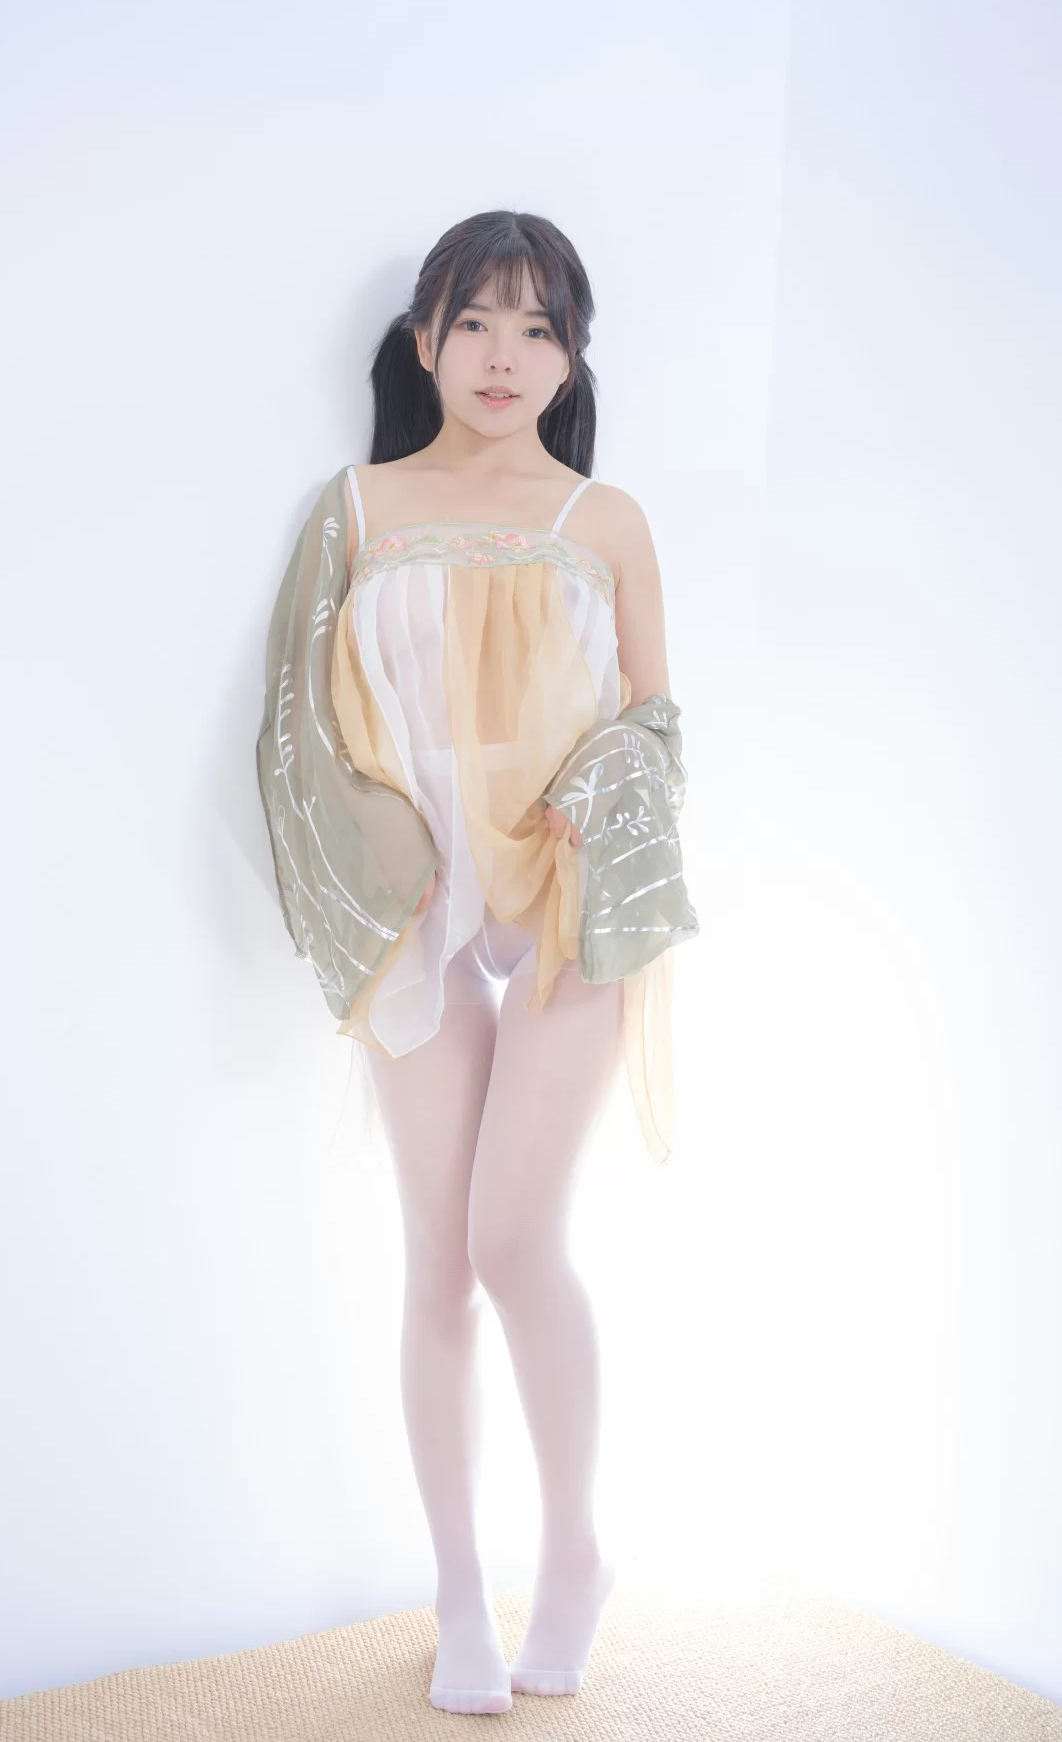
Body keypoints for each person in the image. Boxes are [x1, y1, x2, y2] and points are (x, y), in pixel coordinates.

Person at [257, 210, 696, 1714]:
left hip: (567, 899)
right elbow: (297, 726)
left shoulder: (605, 519)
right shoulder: (356, 508)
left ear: (572, 359)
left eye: (538, 327)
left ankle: (573, 1554)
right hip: (421, 906)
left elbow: (656, 729)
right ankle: (457, 1590)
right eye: (475, 321)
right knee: (436, 1264)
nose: (504, 355)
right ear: (423, 340)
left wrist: (595, 798)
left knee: (514, 1240)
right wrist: (388, 856)